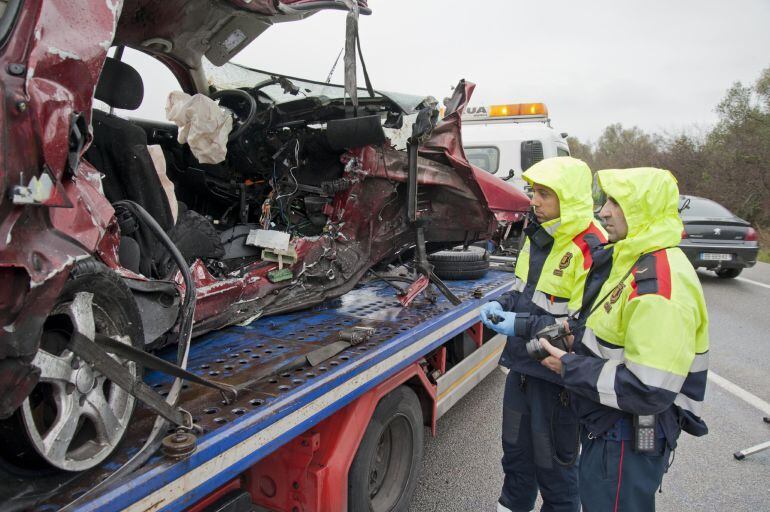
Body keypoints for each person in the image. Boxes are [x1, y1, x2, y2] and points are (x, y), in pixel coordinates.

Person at [539, 167, 709, 512]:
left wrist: (569, 366)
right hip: (612, 428)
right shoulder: (636, 261)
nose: (603, 211)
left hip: (628, 436)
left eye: (616, 202)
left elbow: (648, 388)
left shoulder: (660, 285)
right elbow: (616, 336)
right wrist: (576, 337)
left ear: (642, 209)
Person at [479, 157, 607, 512]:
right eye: (534, 192)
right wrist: (501, 303)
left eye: (545, 195)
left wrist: (516, 325)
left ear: (569, 198)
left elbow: (580, 327)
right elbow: (525, 289)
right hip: (523, 369)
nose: (534, 201)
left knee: (556, 469)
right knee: (516, 457)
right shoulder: (539, 234)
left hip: (558, 379)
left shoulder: (591, 247)